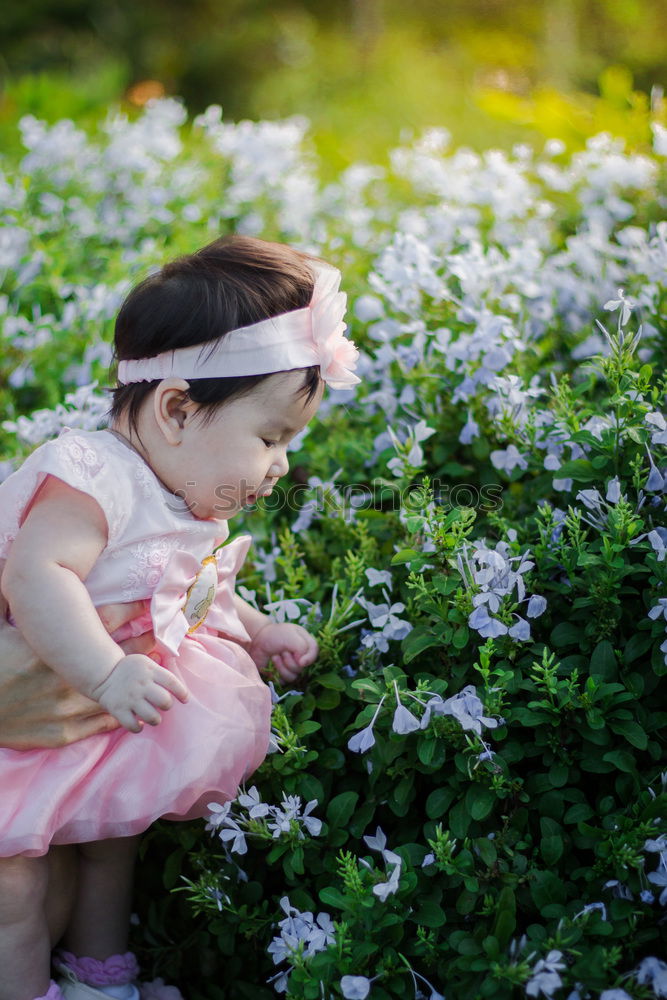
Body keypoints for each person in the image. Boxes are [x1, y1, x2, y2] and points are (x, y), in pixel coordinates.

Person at [0, 235, 360, 1000]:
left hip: (102, 714)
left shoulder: (181, 491)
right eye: (271, 437)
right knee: (15, 891)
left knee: (111, 845)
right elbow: (38, 577)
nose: (282, 466)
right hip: (30, 723)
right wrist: (103, 671)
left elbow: (191, 586)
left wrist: (258, 630)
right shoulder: (94, 477)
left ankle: (103, 977)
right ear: (176, 411)